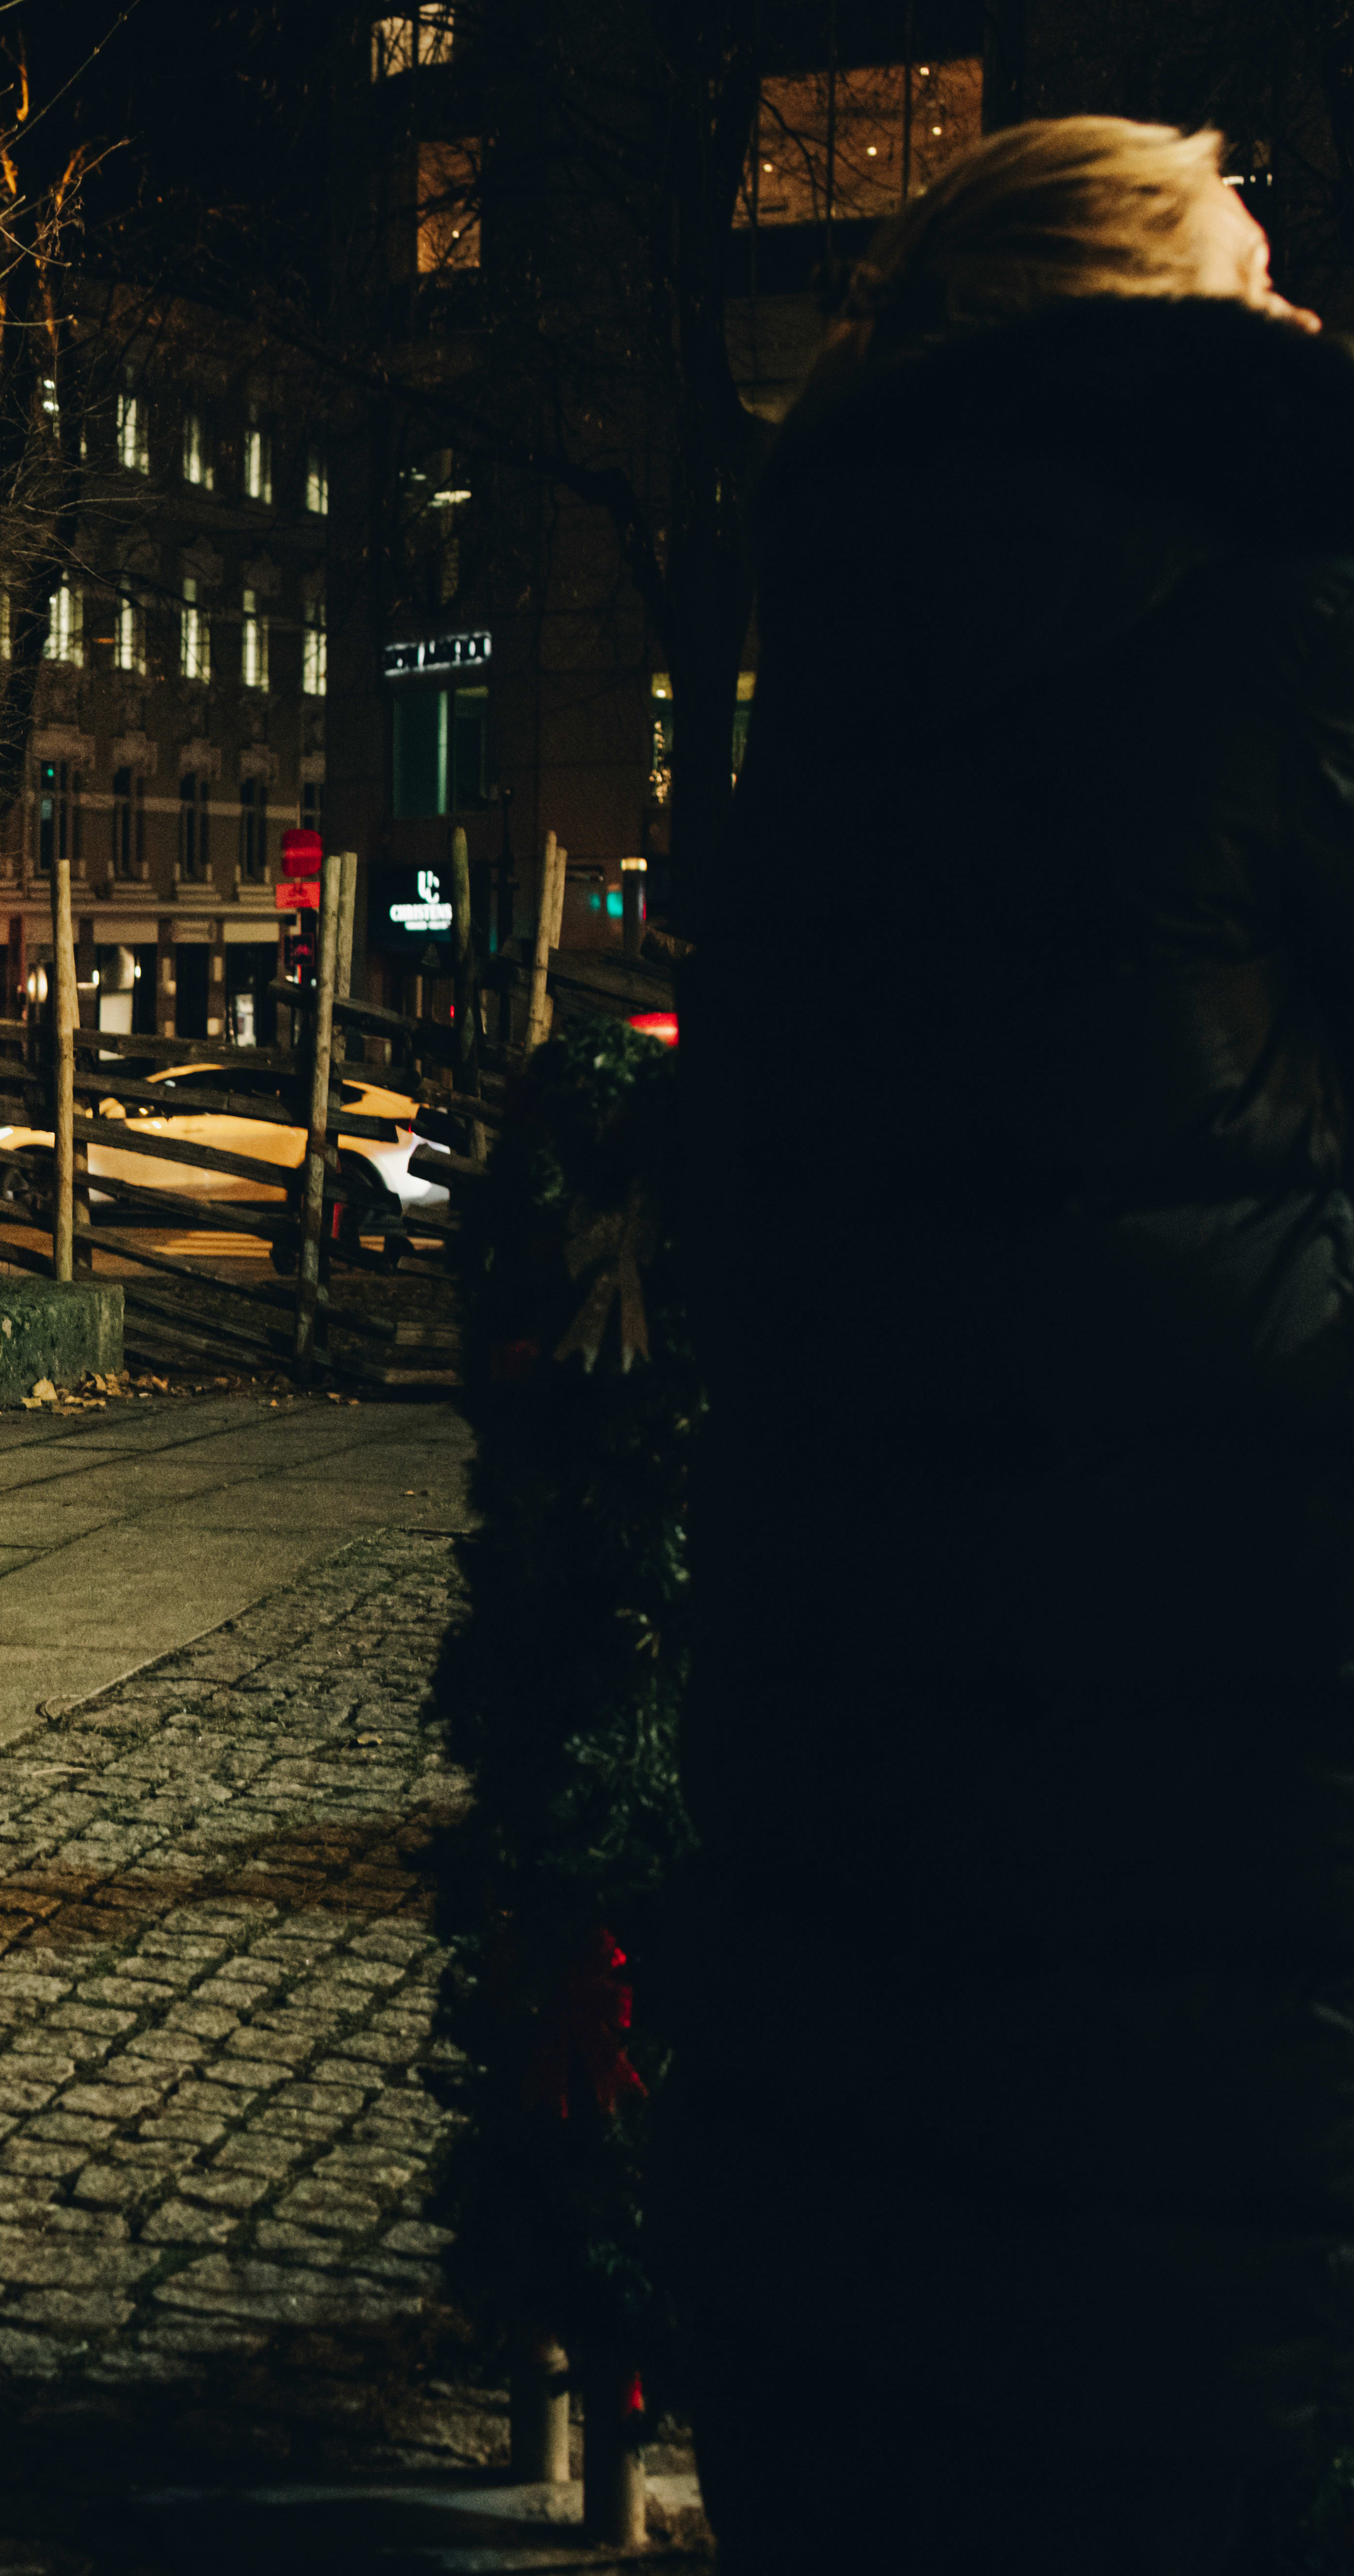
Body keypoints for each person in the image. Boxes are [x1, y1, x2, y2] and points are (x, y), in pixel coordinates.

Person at [685, 118, 1349, 2569]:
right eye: (1257, 264)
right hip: (1247, 1721)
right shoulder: (1292, 619)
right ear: (1163, 318)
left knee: (926, 2369)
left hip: (869, 1732)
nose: (1301, 305)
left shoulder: (829, 691)